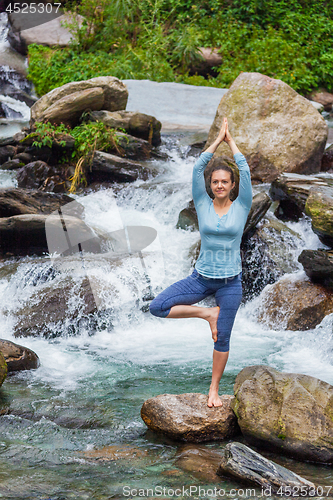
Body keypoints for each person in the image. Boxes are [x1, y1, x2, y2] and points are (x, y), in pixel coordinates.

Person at [149, 117, 252, 407]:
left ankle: (214, 390)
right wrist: (216, 141)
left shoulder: (242, 205)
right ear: (211, 184)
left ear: (233, 186)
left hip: (231, 283)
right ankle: (207, 314)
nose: (220, 185)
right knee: (157, 306)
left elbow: (244, 168)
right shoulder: (203, 203)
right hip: (201, 278)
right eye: (216, 181)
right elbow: (197, 168)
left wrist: (231, 142)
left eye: (225, 182)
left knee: (223, 340)